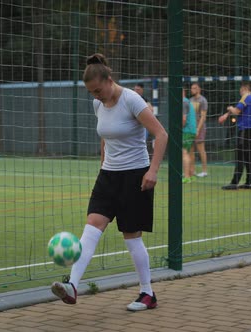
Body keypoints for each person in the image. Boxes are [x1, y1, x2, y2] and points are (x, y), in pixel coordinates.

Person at [50, 53, 168, 311]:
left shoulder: (131, 100)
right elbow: (106, 136)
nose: (96, 96)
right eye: (91, 93)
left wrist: (153, 171)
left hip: (135, 176)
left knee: (131, 237)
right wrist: (104, 164)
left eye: (98, 90)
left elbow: (161, 134)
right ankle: (72, 285)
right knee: (92, 226)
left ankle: (147, 293)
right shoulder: (98, 105)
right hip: (108, 176)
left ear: (109, 80)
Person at [218, 82, 251, 190]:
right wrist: (226, 115)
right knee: (249, 157)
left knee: (240, 156)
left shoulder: (245, 97)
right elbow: (240, 111)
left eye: (240, 90)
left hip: (245, 130)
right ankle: (249, 183)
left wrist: (229, 108)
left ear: (245, 88)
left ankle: (234, 183)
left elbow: (236, 111)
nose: (240, 92)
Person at [189, 83, 209, 177]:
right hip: (191, 127)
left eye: (194, 88)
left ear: (199, 89)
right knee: (190, 149)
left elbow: (203, 117)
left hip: (199, 127)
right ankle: (192, 170)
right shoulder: (190, 100)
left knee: (201, 149)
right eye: (191, 88)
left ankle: (204, 171)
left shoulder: (203, 100)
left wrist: (198, 128)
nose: (192, 89)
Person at [182, 88, 197, 184]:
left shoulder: (183, 102)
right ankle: (191, 175)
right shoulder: (187, 101)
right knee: (190, 152)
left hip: (187, 131)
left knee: (184, 153)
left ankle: (186, 177)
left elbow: (183, 119)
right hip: (192, 130)